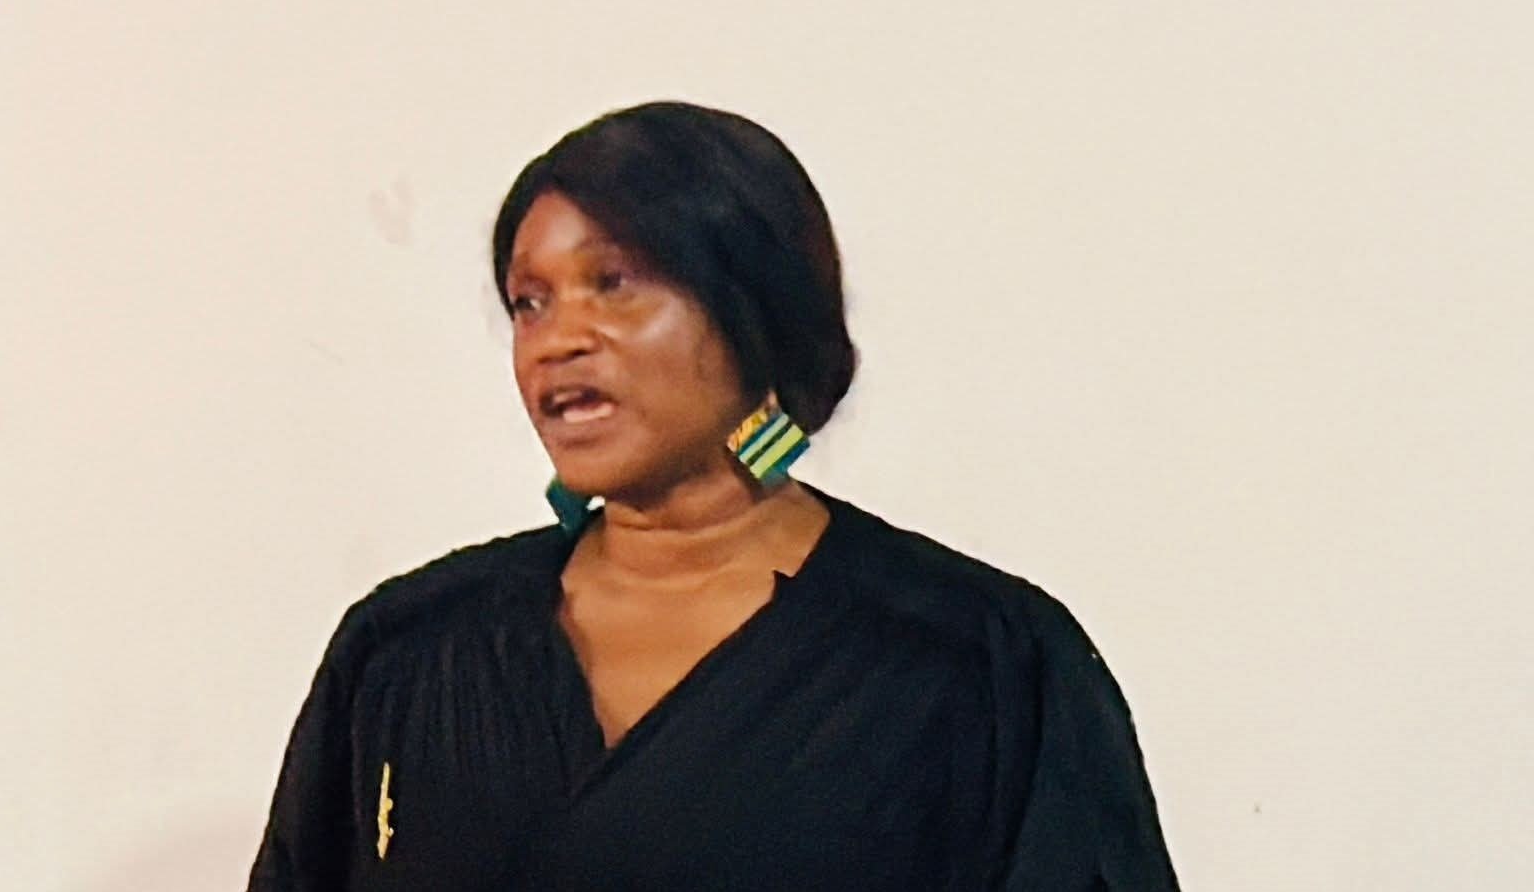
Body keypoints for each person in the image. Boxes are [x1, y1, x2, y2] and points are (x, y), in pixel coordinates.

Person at [246, 101, 1179, 891]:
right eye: (530, 301)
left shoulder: (979, 663)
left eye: (613, 283)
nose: (557, 339)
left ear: (755, 312)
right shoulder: (410, 650)